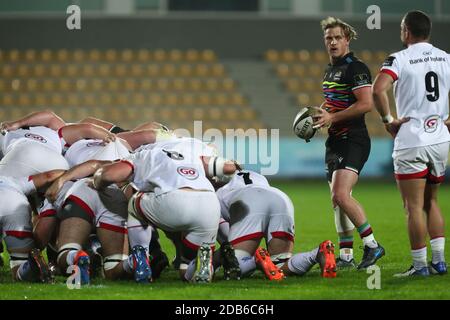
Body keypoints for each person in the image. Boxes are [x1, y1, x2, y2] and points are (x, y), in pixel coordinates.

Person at [90, 137, 239, 283]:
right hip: (209, 206)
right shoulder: (193, 153)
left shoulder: (145, 154)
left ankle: (140, 255)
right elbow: (229, 168)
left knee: (134, 204)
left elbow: (109, 175)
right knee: (185, 269)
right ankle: (202, 262)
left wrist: (97, 182)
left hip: (173, 201)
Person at [372, 10, 450, 277]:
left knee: (413, 206)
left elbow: (377, 89)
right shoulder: (446, 57)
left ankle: (420, 267)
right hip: (440, 138)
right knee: (433, 202)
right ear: (428, 31)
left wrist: (388, 119)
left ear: (406, 31)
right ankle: (439, 262)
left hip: (411, 140)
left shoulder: (399, 59)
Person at [312, 17, 385, 269]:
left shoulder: (357, 67)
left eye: (337, 38)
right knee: (336, 200)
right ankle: (345, 256)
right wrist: (321, 117)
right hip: (335, 141)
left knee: (342, 195)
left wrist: (332, 117)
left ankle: (373, 245)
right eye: (328, 38)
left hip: (353, 139)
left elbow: (366, 104)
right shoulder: (329, 70)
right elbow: (334, 104)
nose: (332, 42)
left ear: (347, 40)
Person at [215, 170, 337, 280]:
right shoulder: (254, 175)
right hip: (280, 197)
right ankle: (317, 254)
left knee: (236, 265)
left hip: (248, 200)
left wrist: (214, 260)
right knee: (280, 264)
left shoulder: (217, 194)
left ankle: (257, 261)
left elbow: (227, 246)